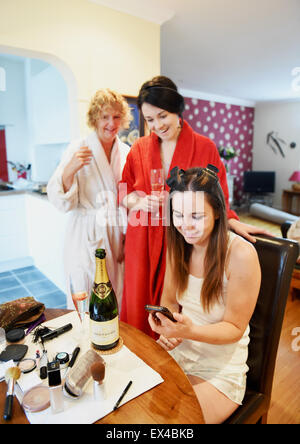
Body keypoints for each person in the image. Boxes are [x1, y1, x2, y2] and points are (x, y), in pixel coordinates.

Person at [119, 75, 267, 336]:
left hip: (183, 237)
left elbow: (218, 194)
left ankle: (173, 351)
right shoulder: (138, 149)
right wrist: (140, 201)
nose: (157, 125)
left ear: (176, 108)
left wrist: (232, 221)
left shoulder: (204, 146)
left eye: (162, 116)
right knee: (140, 308)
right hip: (143, 238)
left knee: (177, 306)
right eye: (150, 120)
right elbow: (124, 193)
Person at [148, 165, 261, 424]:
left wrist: (186, 332)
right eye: (177, 215)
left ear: (219, 212)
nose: (185, 226)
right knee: (132, 402)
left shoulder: (240, 255)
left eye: (196, 216)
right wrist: (165, 324)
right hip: (180, 352)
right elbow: (168, 301)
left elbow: (234, 328)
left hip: (219, 369)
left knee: (170, 423)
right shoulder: (179, 246)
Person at [47, 89, 131, 308]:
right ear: (95, 119)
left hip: (116, 233)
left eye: (116, 116)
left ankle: (110, 339)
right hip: (86, 233)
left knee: (115, 296)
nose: (111, 123)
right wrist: (70, 169)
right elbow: (60, 200)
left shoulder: (125, 151)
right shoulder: (78, 148)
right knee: (86, 293)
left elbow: (129, 194)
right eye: (105, 117)